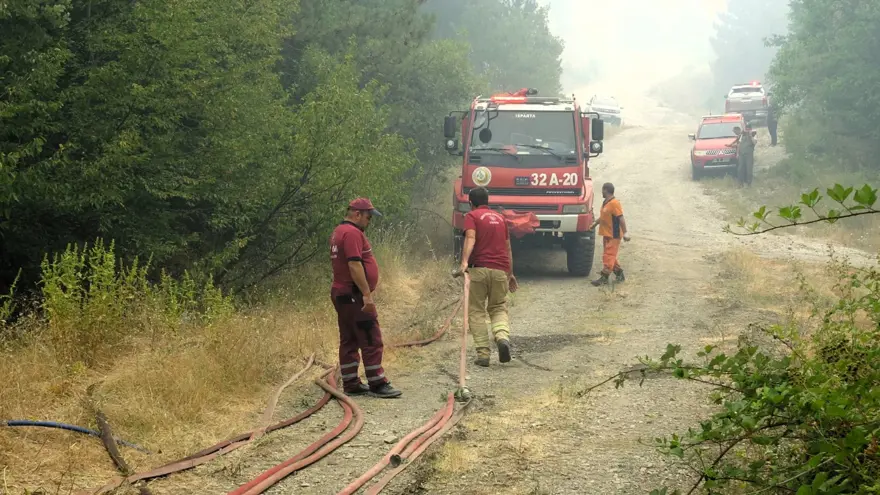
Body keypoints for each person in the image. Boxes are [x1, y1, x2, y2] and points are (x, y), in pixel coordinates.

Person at [330, 198, 402, 398]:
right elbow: (355, 265)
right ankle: (377, 382)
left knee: (349, 338)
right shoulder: (352, 233)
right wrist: (366, 295)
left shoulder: (339, 231)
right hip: (353, 294)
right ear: (357, 214)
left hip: (341, 292)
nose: (369, 222)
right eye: (368, 217)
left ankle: (351, 381)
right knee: (370, 336)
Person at [457, 186, 518, 367]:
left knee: (476, 311)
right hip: (501, 271)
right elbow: (508, 248)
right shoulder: (501, 219)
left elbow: (470, 238)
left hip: (479, 270)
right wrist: (511, 273)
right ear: (487, 201)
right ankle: (502, 338)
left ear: (471, 203)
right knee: (498, 307)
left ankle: (483, 354)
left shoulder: (472, 216)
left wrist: (464, 262)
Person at [590, 182, 630, 286]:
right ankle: (619, 274)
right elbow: (603, 217)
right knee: (610, 256)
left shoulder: (614, 203)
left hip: (614, 235)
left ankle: (604, 277)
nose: (601, 193)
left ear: (605, 190)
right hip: (607, 234)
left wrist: (625, 232)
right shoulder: (606, 203)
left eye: (602, 190)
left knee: (609, 256)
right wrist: (595, 224)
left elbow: (621, 218)